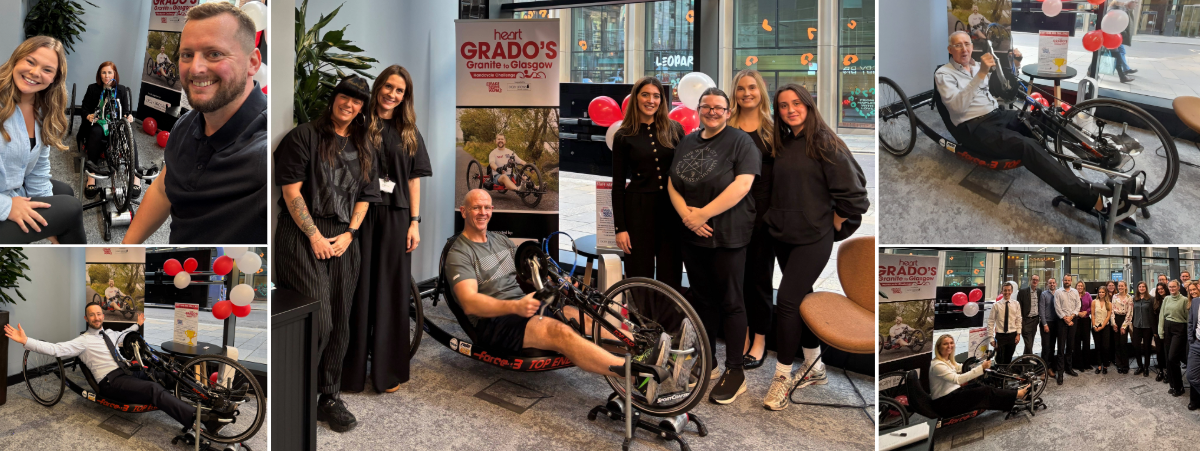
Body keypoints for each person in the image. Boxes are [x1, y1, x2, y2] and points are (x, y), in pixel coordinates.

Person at [447, 189, 672, 396]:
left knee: (578, 316)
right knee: (559, 331)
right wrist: (514, 306)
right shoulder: (460, 253)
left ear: (492, 210)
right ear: (464, 211)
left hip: (523, 304)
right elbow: (470, 302)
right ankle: (636, 375)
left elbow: (529, 268)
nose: (482, 212)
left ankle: (645, 350)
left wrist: (555, 277)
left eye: (487, 207)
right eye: (476, 208)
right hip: (494, 321)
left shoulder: (501, 240)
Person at [935, 31, 1139, 219]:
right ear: (950, 49)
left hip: (998, 114)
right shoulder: (944, 74)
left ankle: (1094, 155)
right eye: (958, 45)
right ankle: (1095, 201)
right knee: (1026, 146)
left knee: (1045, 116)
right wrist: (980, 75)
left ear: (972, 46)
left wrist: (1014, 63)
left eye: (966, 44)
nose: (963, 49)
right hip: (974, 128)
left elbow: (1004, 90)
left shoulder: (977, 66)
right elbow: (958, 107)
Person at [274, 75, 381, 432]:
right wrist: (315, 235)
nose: (348, 104)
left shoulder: (365, 147)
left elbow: (367, 196)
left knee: (341, 321)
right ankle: (292, 392)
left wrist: (350, 234)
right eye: (344, 96)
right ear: (334, 98)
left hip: (344, 239)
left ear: (362, 108)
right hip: (304, 234)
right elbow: (291, 193)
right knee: (318, 319)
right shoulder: (304, 136)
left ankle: (329, 397)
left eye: (356, 101)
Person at [761, 83, 868, 411]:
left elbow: (857, 196)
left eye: (796, 103)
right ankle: (815, 367)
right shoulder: (782, 142)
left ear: (808, 105)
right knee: (803, 300)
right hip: (782, 235)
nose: (790, 109)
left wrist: (835, 220)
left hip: (812, 238)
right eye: (782, 105)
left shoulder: (825, 141)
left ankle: (782, 376)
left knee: (789, 302)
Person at [123, 2, 267, 244]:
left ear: (252, 62)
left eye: (214, 54)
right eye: (187, 55)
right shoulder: (186, 124)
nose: (196, 68)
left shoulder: (266, 151)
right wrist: (126, 248)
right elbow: (162, 189)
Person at [342, 65, 433, 395]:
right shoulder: (358, 122)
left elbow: (413, 180)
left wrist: (415, 222)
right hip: (359, 216)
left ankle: (387, 370)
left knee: (391, 292)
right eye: (388, 87)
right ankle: (349, 371)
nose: (392, 94)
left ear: (405, 96)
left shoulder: (409, 131)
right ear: (378, 86)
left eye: (400, 90)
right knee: (358, 288)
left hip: (396, 217)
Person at [4, 304, 232, 433]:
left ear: (103, 316)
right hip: (110, 381)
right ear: (86, 318)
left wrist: (137, 325)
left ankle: (209, 397)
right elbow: (54, 349)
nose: (96, 317)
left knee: (170, 374)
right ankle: (201, 419)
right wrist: (26, 341)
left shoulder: (110, 333)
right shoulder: (82, 341)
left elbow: (125, 335)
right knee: (154, 390)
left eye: (99, 314)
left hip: (128, 371)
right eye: (92, 314)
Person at [667, 87, 759, 405]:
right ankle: (709, 360)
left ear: (728, 111)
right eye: (707, 107)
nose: (713, 112)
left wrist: (702, 214)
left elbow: (743, 184)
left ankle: (735, 371)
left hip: (728, 236)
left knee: (732, 302)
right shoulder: (688, 141)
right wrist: (686, 216)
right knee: (703, 301)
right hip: (693, 236)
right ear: (699, 109)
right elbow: (672, 182)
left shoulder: (740, 142)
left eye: (719, 108)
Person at [0, 36, 85, 244]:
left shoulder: (42, 109)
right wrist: (7, 206)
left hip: (11, 188)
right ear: (16, 60)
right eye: (30, 61)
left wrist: (52, 227)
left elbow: (38, 170)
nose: (35, 73)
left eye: (47, 70)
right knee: (71, 209)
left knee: (64, 193)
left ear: (55, 78)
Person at [610, 76, 685, 295]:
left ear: (662, 100)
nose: (650, 100)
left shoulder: (675, 130)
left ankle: (669, 326)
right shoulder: (624, 135)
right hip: (637, 210)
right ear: (636, 98)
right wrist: (620, 228)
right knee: (638, 273)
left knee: (670, 272)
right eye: (645, 94)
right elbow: (617, 185)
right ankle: (640, 326)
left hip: (671, 210)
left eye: (656, 96)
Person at [729, 70, 774, 370]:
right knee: (736, 281)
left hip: (765, 217)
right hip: (732, 214)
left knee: (759, 281)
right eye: (741, 88)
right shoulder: (726, 127)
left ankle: (760, 339)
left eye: (752, 87)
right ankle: (741, 334)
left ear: (761, 92)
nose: (747, 93)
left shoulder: (774, 127)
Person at [929, 334, 1028, 418]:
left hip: (952, 395)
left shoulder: (947, 361)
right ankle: (1018, 394)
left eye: (951, 343)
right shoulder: (937, 365)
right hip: (944, 403)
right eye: (945, 344)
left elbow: (961, 367)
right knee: (985, 391)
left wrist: (980, 363)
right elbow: (957, 379)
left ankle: (1006, 401)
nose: (949, 346)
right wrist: (980, 368)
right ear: (938, 347)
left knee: (980, 385)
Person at [77, 61, 136, 199]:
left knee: (130, 137)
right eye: (103, 72)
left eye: (110, 72)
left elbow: (126, 111)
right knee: (96, 132)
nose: (107, 75)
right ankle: (91, 177)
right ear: (99, 74)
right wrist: (88, 115)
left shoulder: (121, 90)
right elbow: (84, 109)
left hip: (116, 124)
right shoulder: (93, 89)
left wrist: (129, 116)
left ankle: (136, 176)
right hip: (99, 122)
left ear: (115, 74)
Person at [1160, 280, 1189, 396]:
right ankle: (1173, 385)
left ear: (1178, 287)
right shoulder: (1166, 299)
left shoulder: (1184, 300)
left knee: (1173, 358)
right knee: (1168, 359)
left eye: (1173, 287)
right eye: (1170, 287)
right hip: (1167, 327)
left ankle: (1179, 386)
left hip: (1179, 329)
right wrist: (1160, 331)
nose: (1171, 289)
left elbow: (1187, 319)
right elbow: (1162, 315)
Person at [1054, 274, 1081, 384]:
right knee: (1060, 348)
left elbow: (1078, 305)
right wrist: (1065, 318)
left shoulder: (1075, 292)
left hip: (1073, 320)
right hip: (1061, 321)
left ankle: (1069, 369)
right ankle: (1060, 373)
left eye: (1069, 280)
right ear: (1062, 280)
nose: (1067, 281)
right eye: (1065, 280)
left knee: (1070, 346)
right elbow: (1057, 307)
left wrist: (1072, 316)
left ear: (1071, 281)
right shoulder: (1058, 292)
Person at [988, 281, 1022, 365]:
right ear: (1002, 291)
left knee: (1008, 358)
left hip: (1012, 335)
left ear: (1011, 291)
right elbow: (991, 321)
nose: (1007, 292)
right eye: (1005, 290)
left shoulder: (1016, 304)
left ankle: (1006, 376)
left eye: (1008, 290)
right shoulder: (996, 305)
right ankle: (999, 377)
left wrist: (1018, 334)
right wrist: (991, 338)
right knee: (999, 358)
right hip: (1000, 336)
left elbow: (1018, 319)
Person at [1130, 281, 1155, 377]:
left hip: (1147, 327)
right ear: (1137, 288)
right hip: (1137, 326)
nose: (1141, 288)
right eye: (1140, 286)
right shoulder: (1134, 299)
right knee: (1136, 346)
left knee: (1147, 347)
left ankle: (1146, 367)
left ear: (1146, 288)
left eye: (1143, 286)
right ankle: (1139, 366)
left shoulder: (1151, 299)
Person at [1039, 277, 1060, 378]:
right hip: (1047, 323)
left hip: (1056, 323)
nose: (1052, 284)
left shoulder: (1058, 293)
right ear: (1047, 284)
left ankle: (1050, 368)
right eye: (1050, 283)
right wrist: (1044, 324)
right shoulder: (1044, 294)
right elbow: (1041, 310)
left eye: (1053, 283)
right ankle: (1043, 370)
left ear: (1056, 284)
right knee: (1046, 347)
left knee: (1052, 347)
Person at [1018, 275, 1043, 356]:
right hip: (1026, 320)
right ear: (1030, 280)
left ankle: (1025, 364)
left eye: (1037, 280)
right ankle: (1030, 361)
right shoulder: (1022, 292)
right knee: (1028, 344)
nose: (1035, 281)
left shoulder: (1039, 291)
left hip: (1035, 320)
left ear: (1038, 281)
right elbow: (1018, 308)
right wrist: (1020, 321)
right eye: (1033, 279)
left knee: (1030, 343)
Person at [1112, 280, 1133, 373]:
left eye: (1122, 286)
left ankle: (1125, 365)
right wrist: (1113, 323)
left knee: (1123, 344)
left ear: (1125, 287)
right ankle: (1119, 365)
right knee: (1116, 344)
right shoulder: (1114, 296)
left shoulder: (1129, 297)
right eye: (1119, 286)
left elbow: (1130, 313)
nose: (1120, 287)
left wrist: (1124, 326)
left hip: (1125, 319)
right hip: (1116, 319)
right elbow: (1111, 311)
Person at [1091, 285, 1113, 374]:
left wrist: (1102, 326)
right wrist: (1094, 325)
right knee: (1098, 347)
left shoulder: (1109, 303)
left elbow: (1108, 316)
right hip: (1095, 326)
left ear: (1105, 293)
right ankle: (1099, 366)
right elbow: (1092, 314)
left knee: (1106, 347)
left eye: (1103, 292)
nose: (1101, 293)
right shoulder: (1094, 302)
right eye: (1099, 292)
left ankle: (1105, 366)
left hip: (1105, 327)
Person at [1074, 281, 1094, 372]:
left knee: (1086, 342)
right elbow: (1070, 306)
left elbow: (1091, 306)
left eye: (1081, 286)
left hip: (1086, 320)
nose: (1080, 287)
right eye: (1078, 286)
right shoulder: (1073, 295)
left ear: (1084, 287)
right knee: (1077, 342)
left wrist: (1086, 312)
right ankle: (1079, 364)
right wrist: (1078, 313)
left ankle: (1087, 364)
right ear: (1076, 286)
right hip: (1076, 320)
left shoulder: (1088, 295)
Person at [1186, 280, 1200, 410]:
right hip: (1196, 343)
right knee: (1191, 375)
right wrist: (1191, 340)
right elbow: (1190, 323)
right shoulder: (1195, 302)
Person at [1153, 282, 1170, 382]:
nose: (1160, 290)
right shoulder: (1155, 301)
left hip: (1168, 330)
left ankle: (1168, 371)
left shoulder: (1170, 299)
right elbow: (1153, 317)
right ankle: (1161, 371)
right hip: (1158, 331)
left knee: (1167, 352)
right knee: (1159, 352)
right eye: (1158, 289)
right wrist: (1155, 331)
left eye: (1162, 288)